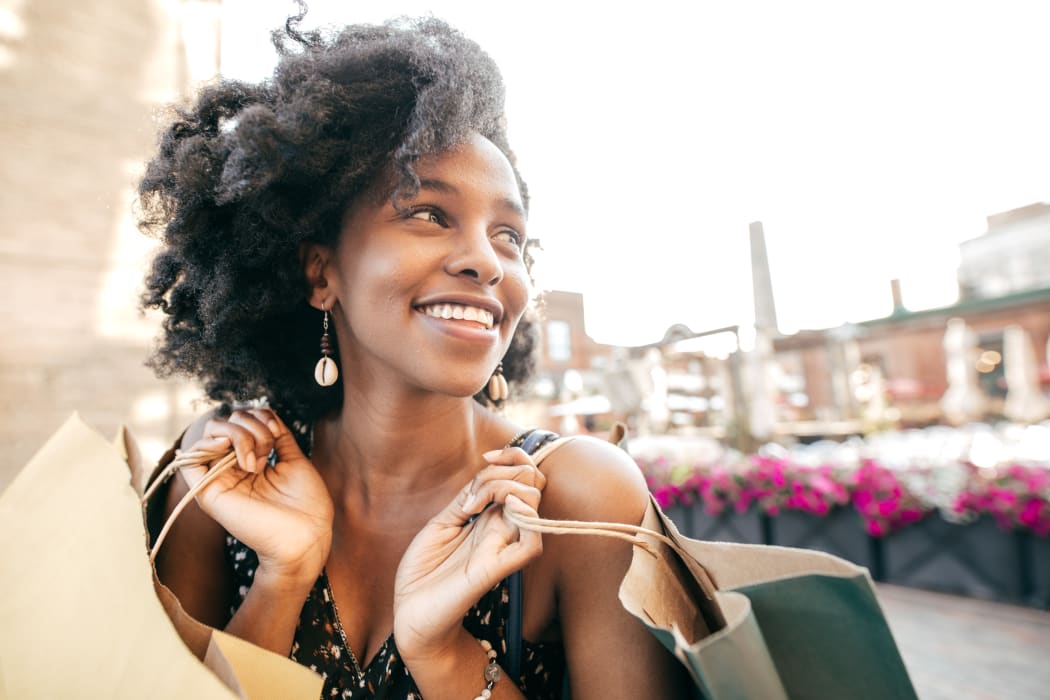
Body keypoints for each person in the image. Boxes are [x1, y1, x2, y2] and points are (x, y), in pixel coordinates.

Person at [140, 9, 689, 699]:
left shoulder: (575, 497)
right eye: (429, 213)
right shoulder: (224, 478)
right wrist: (281, 581)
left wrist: (443, 653)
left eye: (509, 235)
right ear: (320, 273)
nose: (486, 262)